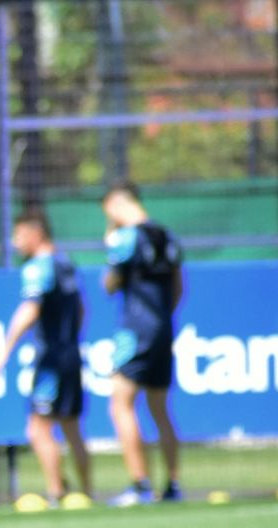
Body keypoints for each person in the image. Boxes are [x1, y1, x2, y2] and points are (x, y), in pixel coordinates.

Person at [0, 209, 92, 503]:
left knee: (38, 428)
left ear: (36, 234)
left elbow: (30, 310)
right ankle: (86, 494)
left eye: (19, 235)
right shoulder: (67, 264)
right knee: (72, 428)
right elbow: (82, 308)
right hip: (71, 353)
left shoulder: (38, 268)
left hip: (51, 360)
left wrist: (4, 351)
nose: (14, 242)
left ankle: (57, 493)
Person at [100, 182, 184, 506]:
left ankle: (140, 484)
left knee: (120, 403)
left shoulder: (125, 239)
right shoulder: (167, 235)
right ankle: (173, 484)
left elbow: (110, 284)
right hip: (163, 327)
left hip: (135, 330)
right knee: (160, 409)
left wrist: (109, 245)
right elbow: (178, 287)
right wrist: (163, 319)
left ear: (117, 204)